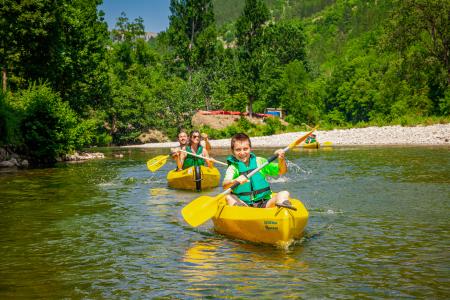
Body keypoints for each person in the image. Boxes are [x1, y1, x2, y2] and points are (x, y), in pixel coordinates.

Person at [222, 133, 292, 208]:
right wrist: (235, 181)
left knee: (284, 193)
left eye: (245, 149)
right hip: (244, 204)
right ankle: (240, 210)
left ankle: (284, 208)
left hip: (264, 203)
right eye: (238, 150)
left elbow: (282, 171)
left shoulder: (260, 161)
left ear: (250, 148)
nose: (242, 153)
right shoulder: (233, 168)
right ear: (233, 151)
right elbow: (225, 185)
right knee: (228, 197)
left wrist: (281, 159)